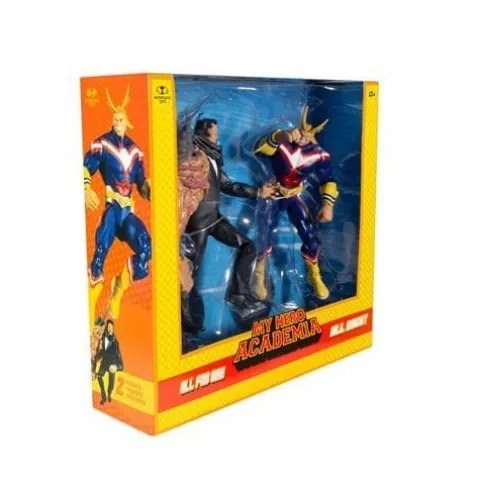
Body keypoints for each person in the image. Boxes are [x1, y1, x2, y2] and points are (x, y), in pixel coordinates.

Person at [252, 106, 339, 300]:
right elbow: (258, 148)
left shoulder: (319, 155)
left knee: (310, 234)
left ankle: (314, 275)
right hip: (274, 194)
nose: (302, 136)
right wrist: (278, 136)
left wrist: (328, 204)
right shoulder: (283, 144)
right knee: (265, 231)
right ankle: (258, 273)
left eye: (308, 133)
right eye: (301, 129)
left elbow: (328, 180)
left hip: (293, 196)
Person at [83, 85, 151, 322]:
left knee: (146, 248)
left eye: (120, 118)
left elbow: (142, 184)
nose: (117, 122)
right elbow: (85, 167)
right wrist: (86, 188)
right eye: (114, 118)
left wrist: (154, 189)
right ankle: (90, 307)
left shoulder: (135, 150)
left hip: (127, 211)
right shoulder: (102, 143)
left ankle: (119, 286)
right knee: (100, 251)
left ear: (127, 119)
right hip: (112, 207)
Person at [92, 319, 123, 405]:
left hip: (112, 364)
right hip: (104, 362)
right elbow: (103, 351)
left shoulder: (116, 342)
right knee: (99, 376)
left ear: (113, 329)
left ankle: (109, 393)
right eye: (108, 327)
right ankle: (104, 396)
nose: (109, 329)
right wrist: (96, 357)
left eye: (111, 327)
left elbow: (119, 357)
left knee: (111, 384)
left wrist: (117, 366)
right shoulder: (104, 338)